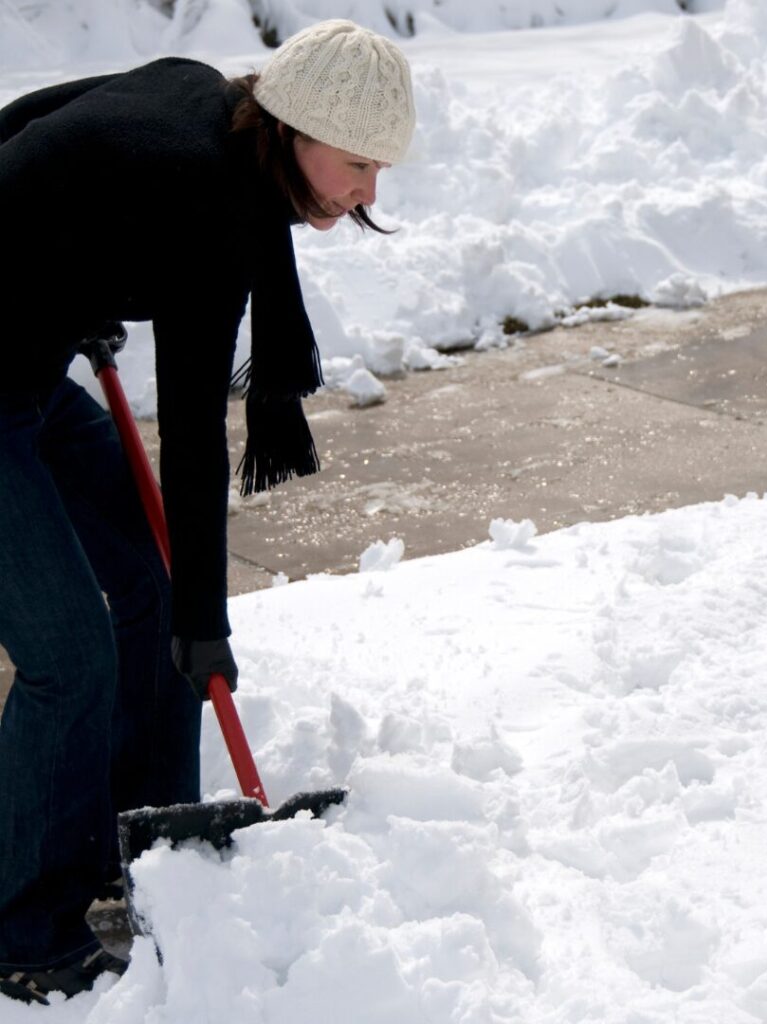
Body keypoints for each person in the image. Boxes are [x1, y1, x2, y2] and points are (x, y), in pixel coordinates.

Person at [0, 19, 415, 1005]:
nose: (368, 192)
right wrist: (207, 626)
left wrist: (63, 257)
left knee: (145, 575)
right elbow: (190, 437)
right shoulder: (205, 202)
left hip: (24, 369)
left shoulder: (207, 97)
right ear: (300, 127)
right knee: (68, 653)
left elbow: (34, 119)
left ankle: (134, 832)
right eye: (358, 163)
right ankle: (25, 924)